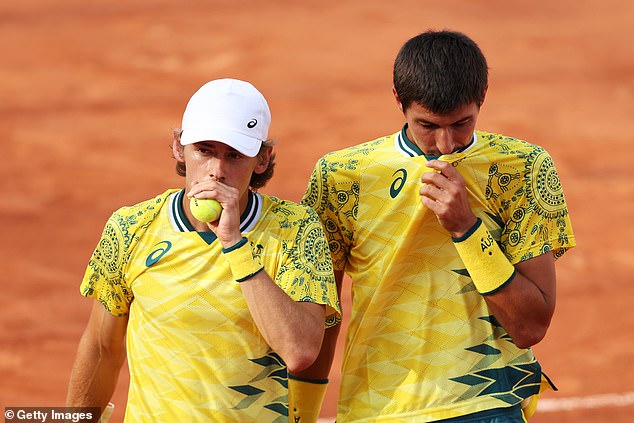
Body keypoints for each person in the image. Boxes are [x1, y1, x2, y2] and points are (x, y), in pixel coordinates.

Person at [299, 30, 576, 422]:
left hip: (486, 404)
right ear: (398, 99)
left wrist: (466, 228)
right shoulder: (342, 176)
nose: (445, 144)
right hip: (376, 409)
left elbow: (530, 325)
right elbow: (322, 314)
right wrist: (302, 414)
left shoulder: (523, 168)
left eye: (461, 123)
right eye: (427, 125)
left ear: (483, 96)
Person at [66, 78, 341, 422]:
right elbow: (102, 349)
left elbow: (300, 351)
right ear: (179, 148)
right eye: (205, 150)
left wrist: (234, 244)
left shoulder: (296, 229)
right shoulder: (131, 228)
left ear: (262, 159)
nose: (217, 171)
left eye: (234, 155)